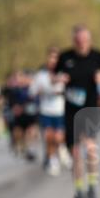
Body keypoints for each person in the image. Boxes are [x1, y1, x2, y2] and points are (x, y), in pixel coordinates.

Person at [58, 25, 100, 198]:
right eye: (78, 40)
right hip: (71, 111)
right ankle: (79, 191)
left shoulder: (97, 56)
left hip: (90, 110)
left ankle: (92, 188)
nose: (81, 43)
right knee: (75, 154)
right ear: (74, 40)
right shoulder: (65, 57)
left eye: (84, 40)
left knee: (90, 150)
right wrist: (58, 79)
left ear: (89, 40)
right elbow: (52, 76)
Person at [30, 47, 67, 176]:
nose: (53, 61)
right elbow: (32, 91)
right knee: (49, 137)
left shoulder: (65, 74)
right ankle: (53, 160)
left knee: (58, 137)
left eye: (55, 58)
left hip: (61, 110)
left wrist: (63, 91)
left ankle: (61, 149)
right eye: (51, 58)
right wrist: (38, 91)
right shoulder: (41, 75)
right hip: (46, 111)